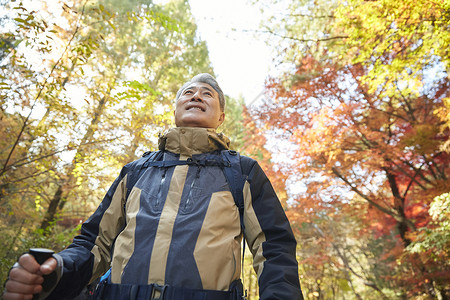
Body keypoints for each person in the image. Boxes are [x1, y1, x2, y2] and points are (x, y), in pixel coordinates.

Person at [3, 73, 303, 300]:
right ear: (175, 109)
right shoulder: (135, 171)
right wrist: (55, 272)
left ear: (221, 117)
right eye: (188, 92)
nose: (196, 96)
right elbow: (94, 244)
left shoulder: (242, 171)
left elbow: (274, 248)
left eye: (207, 94)